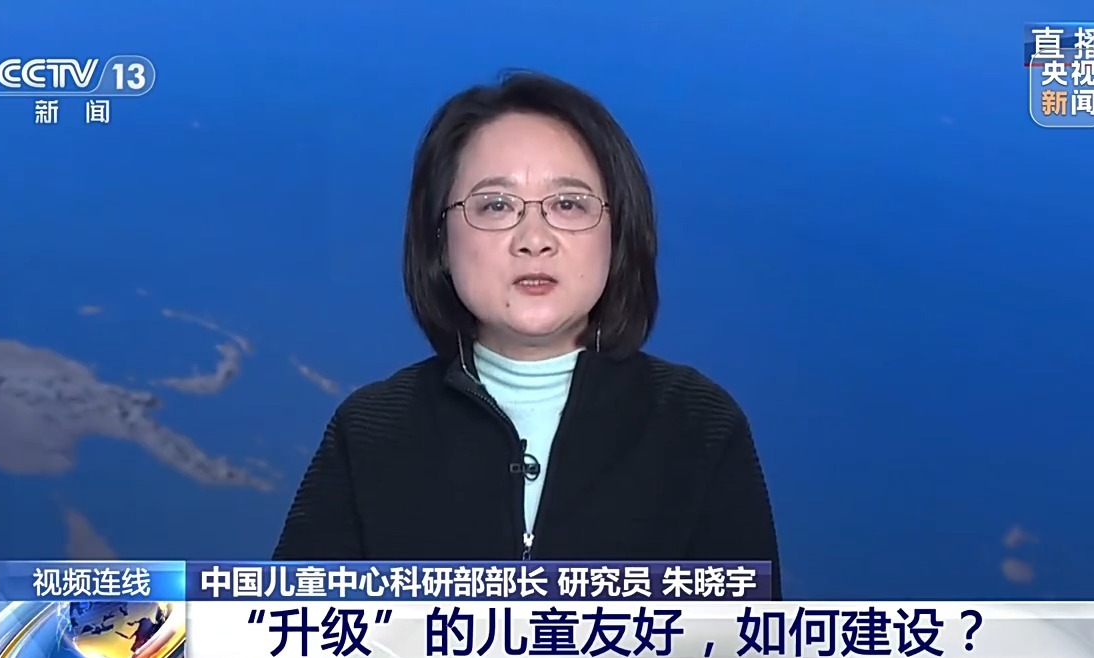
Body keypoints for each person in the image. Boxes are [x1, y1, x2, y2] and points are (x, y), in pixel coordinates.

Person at [274, 71, 782, 598]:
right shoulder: (370, 432)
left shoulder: (697, 427)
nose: (534, 239)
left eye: (569, 204)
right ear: (441, 241)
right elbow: (285, 629)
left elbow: (747, 633)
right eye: (496, 205)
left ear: (617, 233)